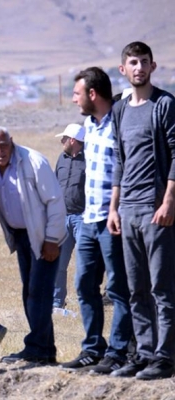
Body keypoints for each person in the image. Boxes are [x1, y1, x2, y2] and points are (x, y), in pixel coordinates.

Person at [108, 41, 175, 380]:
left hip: (155, 207)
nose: (139, 68)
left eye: (144, 62)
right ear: (123, 69)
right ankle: (145, 354)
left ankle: (166, 357)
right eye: (133, 62)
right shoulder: (120, 109)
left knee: (162, 287)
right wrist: (113, 208)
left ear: (152, 66)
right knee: (136, 289)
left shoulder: (164, 104)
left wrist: (169, 201)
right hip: (128, 209)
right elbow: (119, 160)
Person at [61, 66, 134, 375]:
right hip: (88, 220)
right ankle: (92, 349)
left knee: (118, 289)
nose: (74, 100)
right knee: (84, 285)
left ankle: (118, 353)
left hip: (113, 219)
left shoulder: (120, 122)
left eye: (77, 93)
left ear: (92, 94)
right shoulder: (88, 126)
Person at [0, 127, 65, 365]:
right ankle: (44, 350)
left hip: (42, 235)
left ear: (12, 141)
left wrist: (51, 239)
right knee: (31, 292)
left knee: (38, 293)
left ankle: (37, 348)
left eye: (3, 145)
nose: (0, 151)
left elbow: (55, 201)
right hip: (21, 236)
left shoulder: (33, 161)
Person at [53, 123, 86, 311]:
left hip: (82, 219)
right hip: (62, 218)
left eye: (64, 138)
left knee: (84, 264)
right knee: (59, 263)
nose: (62, 141)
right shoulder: (61, 158)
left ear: (72, 140)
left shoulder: (90, 159)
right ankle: (57, 302)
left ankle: (86, 301)